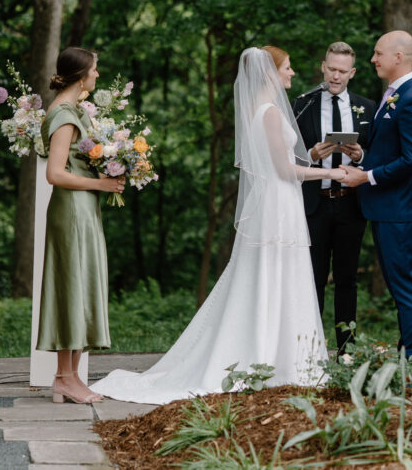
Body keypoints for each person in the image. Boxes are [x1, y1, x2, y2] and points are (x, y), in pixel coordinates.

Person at [90, 46, 343, 404]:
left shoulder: (259, 111)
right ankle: (276, 359)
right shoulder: (270, 113)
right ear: (270, 72)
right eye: (287, 67)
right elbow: (287, 171)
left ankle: (280, 356)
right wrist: (332, 172)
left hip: (276, 203)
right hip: (278, 203)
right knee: (275, 274)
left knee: (272, 275)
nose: (292, 74)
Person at [339, 31, 412, 367]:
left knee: (405, 287)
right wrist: (363, 155)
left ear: (398, 57)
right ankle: (406, 355)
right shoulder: (394, 94)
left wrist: (365, 176)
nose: (373, 59)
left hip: (402, 211)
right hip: (387, 209)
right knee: (399, 286)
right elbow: (390, 149)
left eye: (378, 54)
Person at [38, 47, 125, 404]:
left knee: (80, 287)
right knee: (70, 289)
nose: (98, 75)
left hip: (82, 210)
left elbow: (76, 163)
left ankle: (71, 377)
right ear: (81, 75)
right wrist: (101, 184)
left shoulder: (71, 111)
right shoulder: (64, 115)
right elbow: (55, 174)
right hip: (72, 211)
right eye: (95, 69)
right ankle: (63, 377)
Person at [292, 42, 377, 353]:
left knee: (346, 280)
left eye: (343, 71)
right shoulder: (301, 104)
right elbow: (285, 155)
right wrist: (310, 154)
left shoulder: (367, 107)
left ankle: (346, 352)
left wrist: (360, 154)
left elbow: (376, 154)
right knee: (311, 280)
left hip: (350, 204)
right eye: (331, 69)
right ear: (322, 66)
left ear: (352, 72)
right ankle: (309, 351)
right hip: (314, 202)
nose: (336, 76)